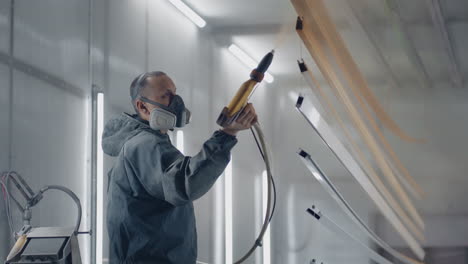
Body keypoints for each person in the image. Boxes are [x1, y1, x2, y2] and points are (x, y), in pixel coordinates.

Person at [101, 71, 258, 263]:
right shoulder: (144, 145)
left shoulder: (147, 143)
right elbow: (185, 183)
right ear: (142, 106)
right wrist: (227, 134)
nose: (176, 102)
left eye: (175, 94)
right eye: (165, 95)